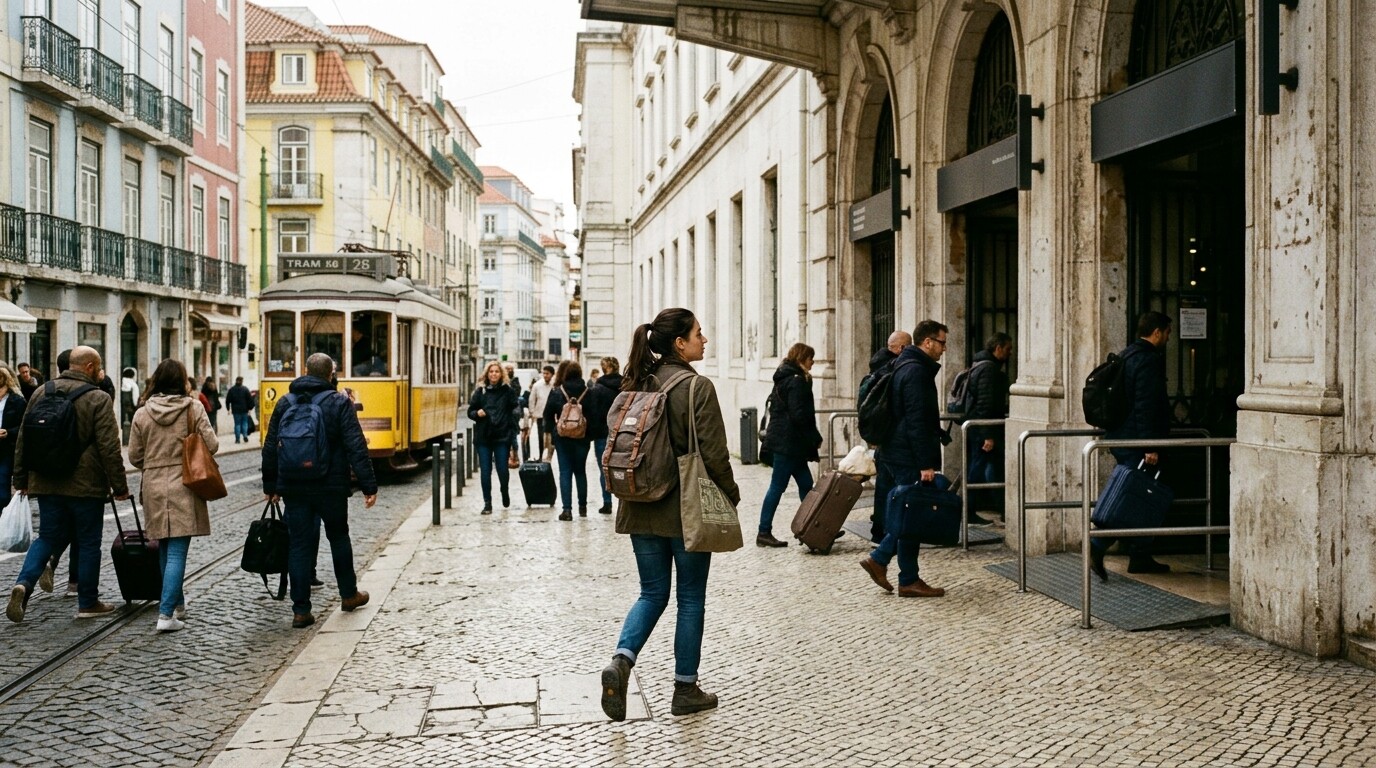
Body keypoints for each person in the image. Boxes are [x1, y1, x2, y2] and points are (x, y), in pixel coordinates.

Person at [600, 308, 740, 722]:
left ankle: (622, 662)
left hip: (640, 504)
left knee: (651, 593)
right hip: (685, 509)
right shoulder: (697, 387)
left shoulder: (635, 383)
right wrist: (731, 495)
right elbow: (714, 454)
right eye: (699, 333)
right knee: (690, 597)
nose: (705, 339)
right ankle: (685, 688)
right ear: (680, 343)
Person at [7, 346, 131, 623]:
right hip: (84, 485)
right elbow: (109, 447)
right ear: (88, 367)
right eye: (98, 367)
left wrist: (21, 480)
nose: (100, 372)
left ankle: (24, 584)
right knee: (88, 542)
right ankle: (87, 601)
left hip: (46, 481)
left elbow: (23, 441)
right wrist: (119, 486)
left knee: (47, 537)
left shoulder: (41, 392)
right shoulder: (98, 398)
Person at [261, 353, 377, 629]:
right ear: (331, 373)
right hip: (331, 485)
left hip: (294, 486)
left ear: (305, 371)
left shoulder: (285, 402)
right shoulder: (338, 402)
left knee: (299, 545)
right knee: (339, 537)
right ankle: (349, 594)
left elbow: (270, 446)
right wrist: (368, 485)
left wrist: (271, 485)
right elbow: (355, 445)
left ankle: (301, 610)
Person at [859, 320, 950, 599]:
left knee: (908, 513)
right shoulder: (915, 371)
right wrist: (926, 464)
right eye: (942, 342)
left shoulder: (903, 365)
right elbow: (917, 421)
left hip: (893, 451)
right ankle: (882, 559)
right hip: (906, 456)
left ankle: (907, 578)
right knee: (911, 514)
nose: (944, 349)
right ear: (927, 342)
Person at [127, 359, 218, 632]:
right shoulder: (193, 408)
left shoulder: (142, 413)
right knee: (177, 550)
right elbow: (212, 445)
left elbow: (134, 456)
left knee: (165, 547)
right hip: (184, 483)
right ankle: (166, 614)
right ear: (183, 381)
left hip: (153, 485)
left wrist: (155, 462)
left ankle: (177, 605)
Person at [1091, 311, 1174, 580]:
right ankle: (1099, 543)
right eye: (1168, 332)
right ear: (1157, 332)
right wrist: (1149, 445)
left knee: (1141, 496)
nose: (1169, 338)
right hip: (1138, 441)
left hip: (1123, 436)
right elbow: (1145, 405)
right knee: (1133, 497)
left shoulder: (1126, 355)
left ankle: (1139, 554)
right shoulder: (1147, 361)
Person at [757, 343, 823, 548]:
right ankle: (763, 532)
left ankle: (814, 527)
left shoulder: (786, 377)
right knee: (777, 487)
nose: (813, 362)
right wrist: (814, 436)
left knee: (806, 485)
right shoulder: (795, 381)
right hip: (788, 444)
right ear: (802, 358)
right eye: (811, 358)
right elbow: (799, 414)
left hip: (790, 444)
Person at [864, 329, 912, 542]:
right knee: (898, 490)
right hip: (893, 438)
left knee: (883, 488)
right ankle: (893, 535)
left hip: (882, 438)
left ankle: (879, 531)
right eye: (909, 346)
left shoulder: (876, 368)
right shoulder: (894, 370)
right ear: (902, 348)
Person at [965, 332, 1012, 524]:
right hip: (984, 429)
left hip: (982, 428)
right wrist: (988, 435)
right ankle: (971, 508)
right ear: (998, 348)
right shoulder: (988, 370)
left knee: (987, 468)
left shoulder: (980, 366)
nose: (1010, 353)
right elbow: (986, 403)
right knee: (981, 469)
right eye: (1008, 349)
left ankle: (999, 508)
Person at [543, 360, 593, 521]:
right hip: (582, 438)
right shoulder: (588, 392)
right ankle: (583, 508)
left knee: (565, 472)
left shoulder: (558, 391)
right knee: (580, 472)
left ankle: (567, 510)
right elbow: (595, 415)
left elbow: (547, 415)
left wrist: (553, 432)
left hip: (562, 438)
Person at [467, 362, 519, 514]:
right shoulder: (480, 392)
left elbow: (515, 408)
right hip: (483, 437)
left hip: (502, 436)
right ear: (487, 374)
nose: (494, 374)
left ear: (501, 374)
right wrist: (477, 414)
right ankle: (487, 503)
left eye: (497, 372)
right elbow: (470, 411)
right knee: (485, 471)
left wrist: (512, 425)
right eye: (491, 372)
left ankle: (504, 490)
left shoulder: (507, 391)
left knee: (503, 469)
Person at [582, 356, 623, 515]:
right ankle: (623, 502)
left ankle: (607, 502)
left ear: (603, 368)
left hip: (602, 433)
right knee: (622, 467)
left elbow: (593, 412)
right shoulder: (625, 385)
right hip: (621, 433)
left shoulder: (597, 388)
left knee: (604, 469)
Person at [0, 367, 28, 510]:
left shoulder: (17, 401)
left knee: (3, 489)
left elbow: (24, 427)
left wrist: (8, 432)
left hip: (6, 450)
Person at [527, 365, 554, 454]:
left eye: (547, 373)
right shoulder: (537, 385)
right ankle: (540, 455)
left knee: (551, 438)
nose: (545, 375)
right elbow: (532, 399)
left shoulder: (555, 385)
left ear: (552, 374)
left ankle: (550, 455)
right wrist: (532, 412)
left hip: (552, 416)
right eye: (544, 373)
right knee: (541, 437)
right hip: (540, 415)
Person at [226, 376, 255, 444]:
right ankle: (245, 435)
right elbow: (250, 400)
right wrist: (250, 408)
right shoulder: (245, 389)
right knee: (245, 423)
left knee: (237, 424)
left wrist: (228, 408)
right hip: (244, 409)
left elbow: (228, 400)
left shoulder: (232, 390)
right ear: (242, 381)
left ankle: (237, 439)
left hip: (235, 410)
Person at [504, 363, 523, 460]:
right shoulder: (501, 382)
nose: (509, 371)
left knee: (512, 434)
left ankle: (514, 455)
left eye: (511, 369)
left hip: (512, 413)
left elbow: (516, 393)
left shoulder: (515, 381)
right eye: (507, 369)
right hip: (503, 413)